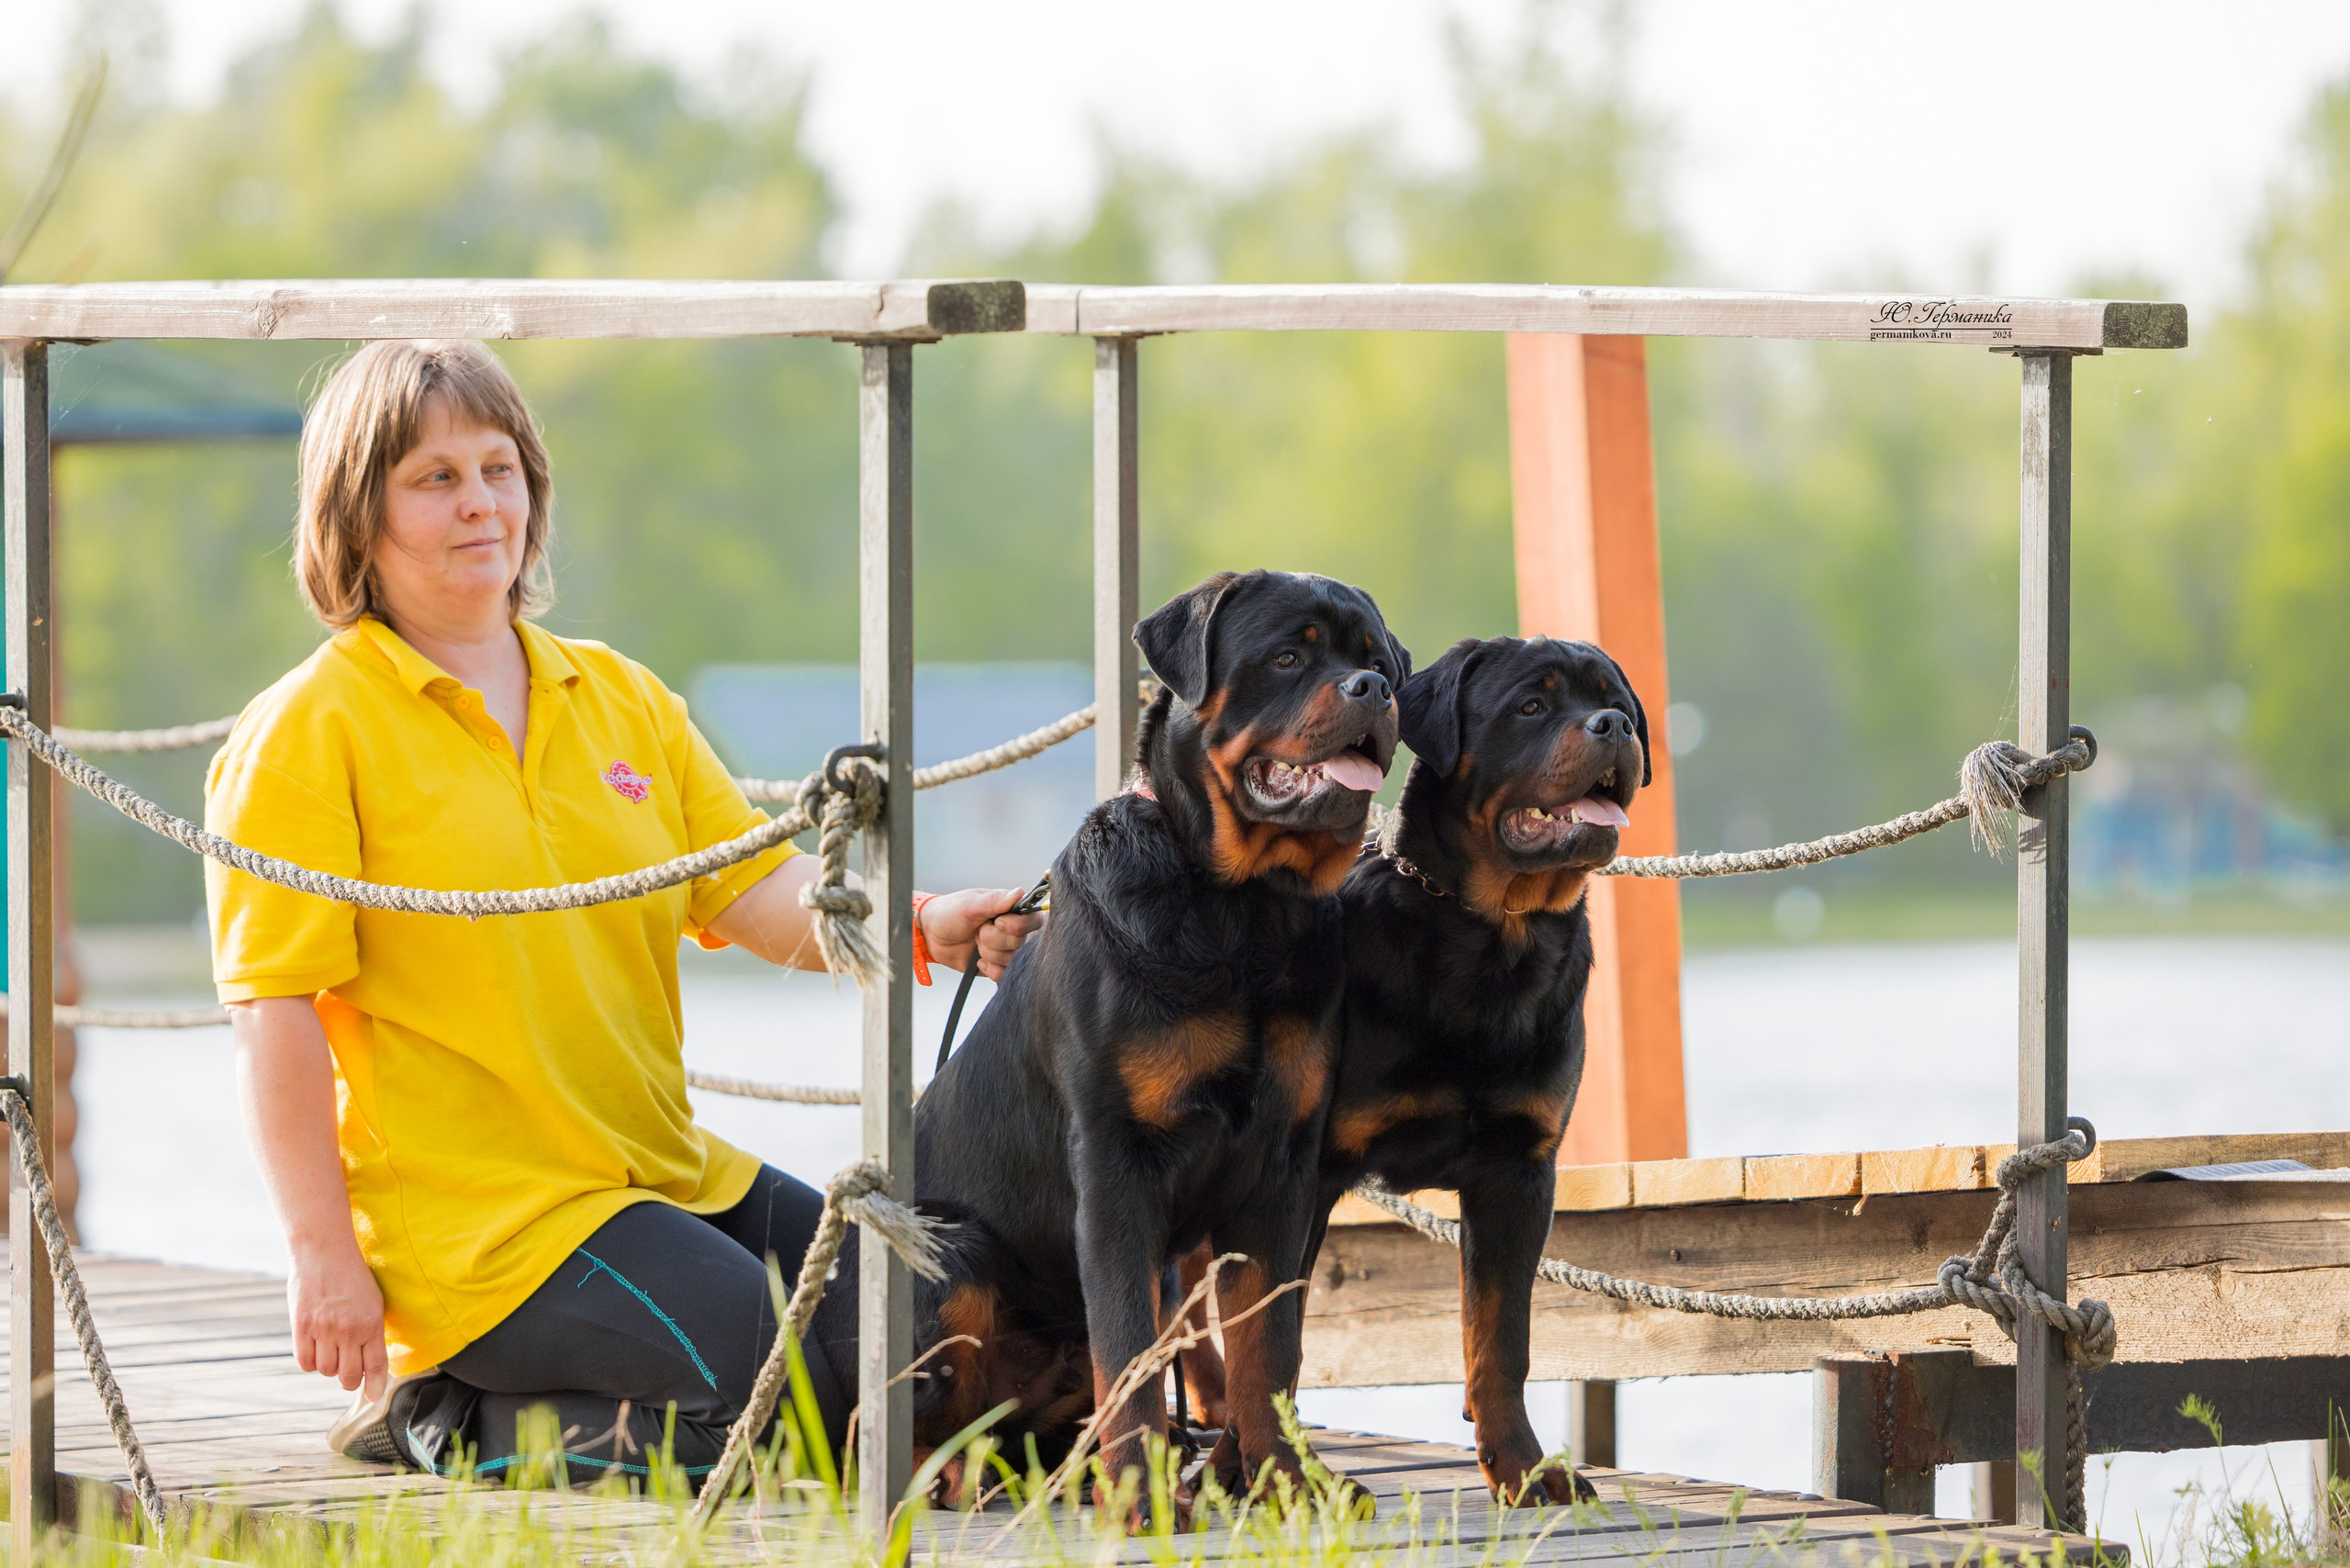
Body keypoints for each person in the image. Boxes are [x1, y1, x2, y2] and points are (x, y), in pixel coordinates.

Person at [207, 340, 1043, 1488]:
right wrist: (322, 1257)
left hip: (664, 1177)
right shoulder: (305, 732)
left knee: (927, 1330)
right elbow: (275, 1017)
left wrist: (922, 922)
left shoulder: (620, 695)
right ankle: (443, 1417)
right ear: (357, 514)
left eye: (498, 469)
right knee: (786, 1405)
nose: (480, 502)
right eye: (434, 478)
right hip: (484, 1232)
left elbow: (750, 891)